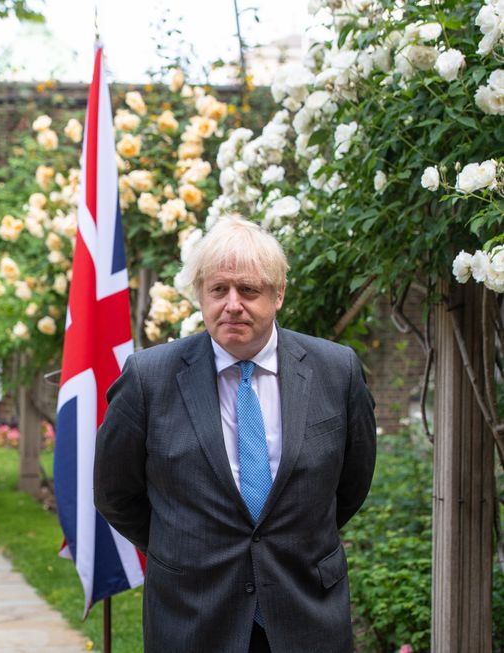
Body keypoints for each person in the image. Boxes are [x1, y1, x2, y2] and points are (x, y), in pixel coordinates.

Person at [93, 217, 376, 653]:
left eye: (248, 290)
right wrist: (184, 543)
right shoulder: (149, 379)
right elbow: (115, 492)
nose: (232, 305)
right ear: (201, 294)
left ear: (278, 294)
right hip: (192, 613)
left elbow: (351, 483)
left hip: (306, 612)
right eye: (218, 290)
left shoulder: (335, 371)